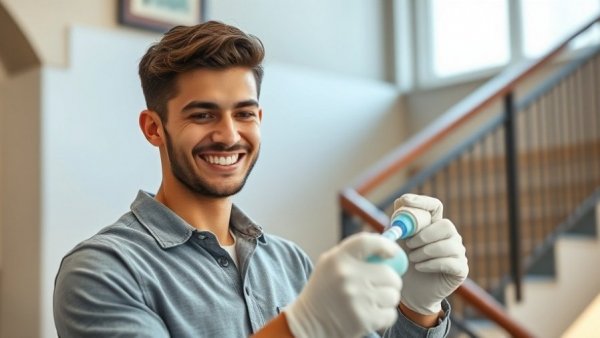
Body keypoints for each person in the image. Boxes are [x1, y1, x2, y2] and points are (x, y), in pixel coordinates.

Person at [53, 21, 468, 338]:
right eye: (203, 114)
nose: (230, 134)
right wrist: (301, 326)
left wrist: (418, 309)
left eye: (244, 113)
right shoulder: (102, 271)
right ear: (153, 128)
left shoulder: (290, 262)